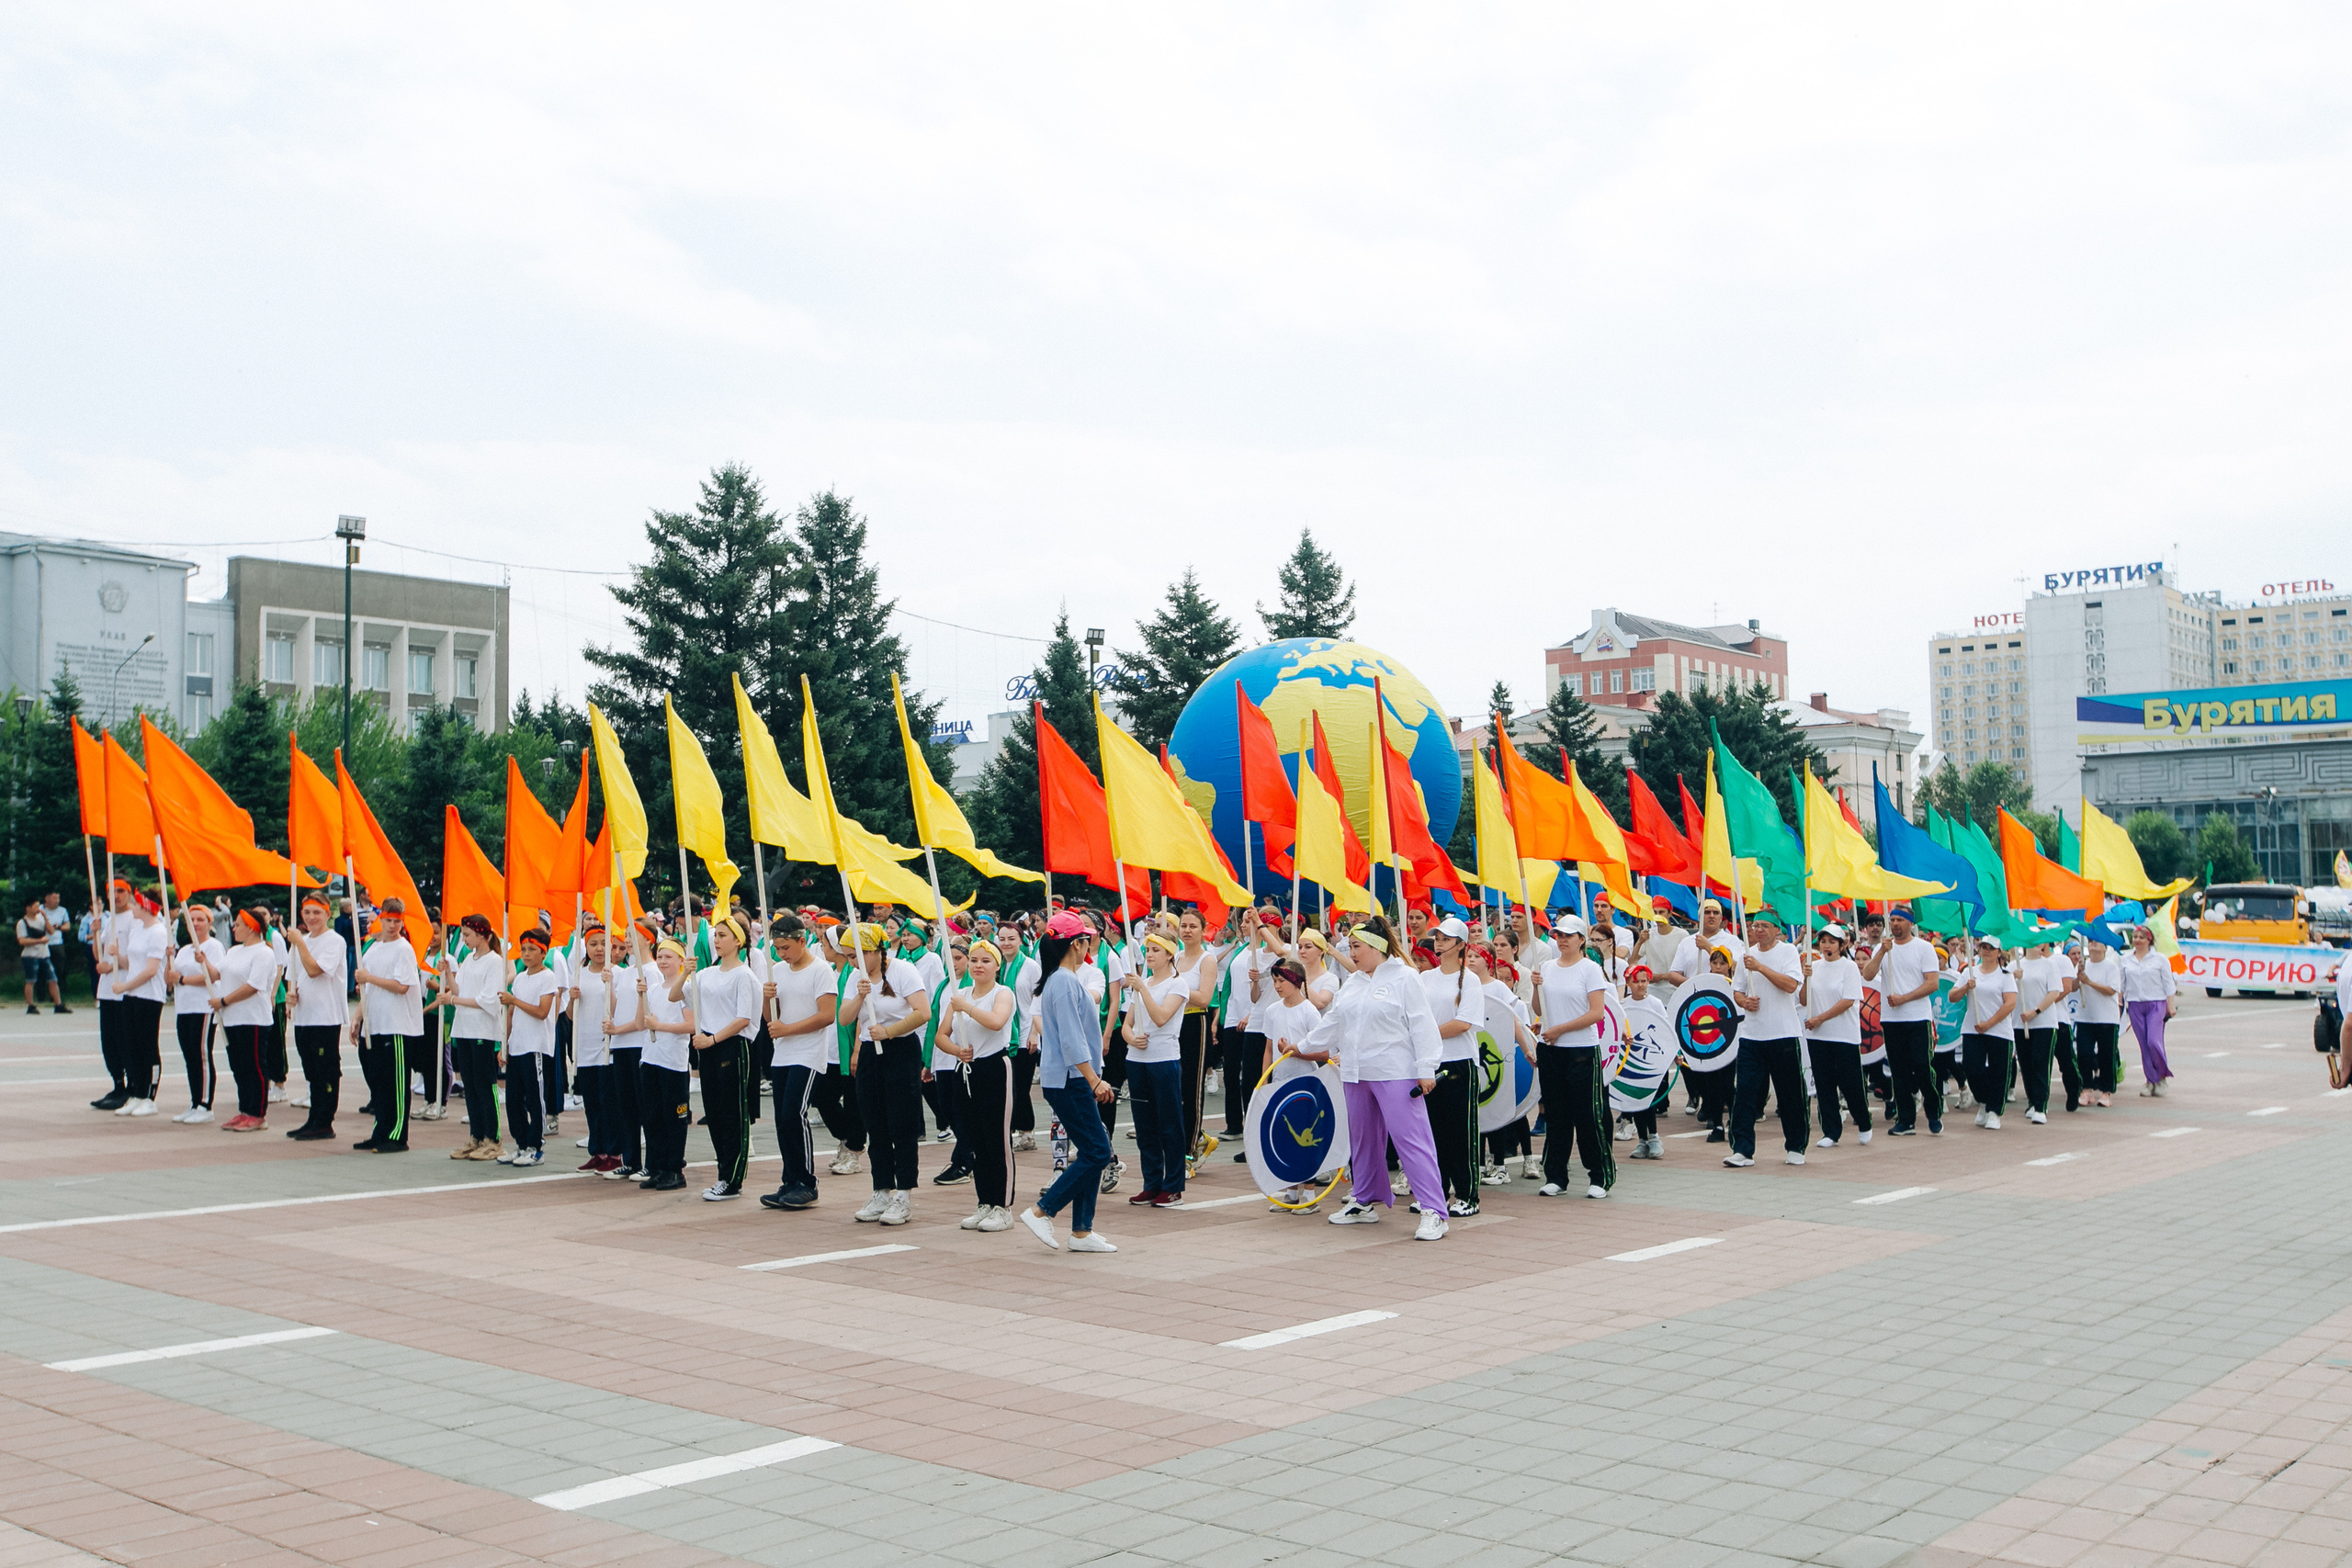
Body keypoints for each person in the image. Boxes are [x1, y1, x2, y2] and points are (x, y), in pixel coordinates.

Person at [1306, 914, 1450, 1239]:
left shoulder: (1405, 978)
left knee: (1412, 1142)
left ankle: (1434, 1211)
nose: (1350, 952)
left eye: (1356, 946)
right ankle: (1364, 1201)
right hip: (1356, 1073)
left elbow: (1422, 1024)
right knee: (1363, 1142)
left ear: (1376, 946)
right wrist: (1302, 1046)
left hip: (1395, 1072)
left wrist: (1426, 1068)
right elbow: (1334, 1024)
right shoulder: (1354, 982)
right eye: (1351, 946)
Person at [1019, 910, 1121, 1252]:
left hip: (1072, 1077)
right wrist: (1094, 1080)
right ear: (1076, 944)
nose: (1089, 943)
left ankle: (1081, 1231)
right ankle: (1042, 1211)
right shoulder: (1063, 981)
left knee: (1092, 1151)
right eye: (1086, 938)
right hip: (1071, 1078)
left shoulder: (1061, 979)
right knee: (1097, 1151)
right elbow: (1072, 1040)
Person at [842, 922, 933, 1228]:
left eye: (855, 956)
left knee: (901, 1123)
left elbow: (923, 1012)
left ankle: (904, 1194)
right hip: (870, 1051)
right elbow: (843, 1018)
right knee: (874, 1121)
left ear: (874, 951)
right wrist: (858, 996)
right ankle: (881, 1190)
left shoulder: (903, 971)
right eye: (848, 957)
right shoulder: (856, 977)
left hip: (901, 1049)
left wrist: (889, 1031)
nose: (852, 963)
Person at [937, 937, 1017, 1231]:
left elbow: (997, 1022)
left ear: (997, 965)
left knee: (997, 1139)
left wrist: (966, 1008)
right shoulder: (960, 994)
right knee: (974, 1140)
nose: (978, 965)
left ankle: (1003, 1206)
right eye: (974, 960)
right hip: (965, 1069)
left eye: (986, 961)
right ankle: (985, 1202)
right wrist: (957, 1050)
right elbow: (941, 1035)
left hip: (995, 1068)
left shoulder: (1002, 992)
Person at [759, 913, 838, 1212]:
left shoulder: (821, 971)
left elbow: (826, 1015)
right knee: (781, 1118)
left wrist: (786, 1030)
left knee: (795, 1113)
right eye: (777, 949)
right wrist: (767, 999)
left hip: (808, 1053)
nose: (782, 954)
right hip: (784, 1053)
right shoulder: (777, 970)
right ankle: (789, 1180)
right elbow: (771, 1019)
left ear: (802, 941)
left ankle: (807, 1182)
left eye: (786, 948)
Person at [1535, 914, 1614, 1198]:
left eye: (1569, 935)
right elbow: (1539, 1007)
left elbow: (1596, 1013)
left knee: (1588, 1115)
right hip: (1551, 1051)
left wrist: (1559, 1030)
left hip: (1581, 1050)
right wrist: (1536, 985)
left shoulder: (1590, 969)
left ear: (1581, 939)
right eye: (1558, 934)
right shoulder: (1546, 966)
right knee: (1556, 1115)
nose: (1562, 939)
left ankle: (1599, 1176)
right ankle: (1556, 1176)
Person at [685, 913, 762, 1200]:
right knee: (715, 1114)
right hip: (708, 1046)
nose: (716, 941)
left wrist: (713, 1039)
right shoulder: (706, 974)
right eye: (715, 936)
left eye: (722, 936)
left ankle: (733, 1179)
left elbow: (743, 1019)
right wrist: (685, 971)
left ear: (738, 941)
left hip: (732, 1046)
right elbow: (675, 996)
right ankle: (722, 1174)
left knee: (733, 1115)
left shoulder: (744, 975)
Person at [1120, 931, 1198, 1209]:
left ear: (1169, 955)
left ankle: (1173, 1186)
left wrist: (1142, 989)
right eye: (1147, 949)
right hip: (1137, 1060)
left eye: (1155, 950)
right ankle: (1151, 1183)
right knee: (1144, 1126)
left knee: (1169, 1123)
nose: (1149, 954)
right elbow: (1126, 1025)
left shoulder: (1178, 985)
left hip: (1164, 1059)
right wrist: (1131, 1038)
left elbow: (1162, 1018)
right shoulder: (1145, 982)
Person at [1726, 910, 1808, 1168]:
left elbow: (1790, 985)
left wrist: (1760, 967)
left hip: (1783, 1033)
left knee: (1790, 1094)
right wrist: (1744, 1002)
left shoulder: (1787, 953)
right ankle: (1742, 1149)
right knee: (1746, 1094)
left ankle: (1795, 1146)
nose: (1758, 930)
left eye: (1764, 926)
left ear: (1777, 930)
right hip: (1752, 1035)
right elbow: (1737, 991)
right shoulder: (1745, 955)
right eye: (1755, 926)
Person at [1861, 905, 1944, 1136]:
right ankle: (1906, 1119)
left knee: (1921, 1066)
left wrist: (1904, 998)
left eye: (1900, 920)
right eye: (1893, 920)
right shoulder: (1883, 948)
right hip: (1891, 1020)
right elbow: (1867, 975)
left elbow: (1932, 983)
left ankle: (1933, 1111)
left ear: (1910, 923)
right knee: (1898, 1071)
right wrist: (1880, 952)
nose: (1895, 924)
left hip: (1918, 1018)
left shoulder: (1924, 948)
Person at [1422, 917, 1486, 1216]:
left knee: (1460, 1135)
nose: (1439, 942)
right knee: (1433, 1133)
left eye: (1447, 938)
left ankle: (1466, 1195)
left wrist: (1427, 1033)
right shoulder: (1426, 978)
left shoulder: (1470, 979)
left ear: (1461, 944)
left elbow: (1463, 1023)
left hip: (1459, 1064)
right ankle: (1437, 1193)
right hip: (1431, 1064)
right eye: (1438, 937)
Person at [352, 899, 422, 1153]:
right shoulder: (373, 948)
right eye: (389, 920)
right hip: (376, 1023)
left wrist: (369, 978)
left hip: (398, 1025)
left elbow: (402, 986)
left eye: (397, 921)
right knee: (379, 1082)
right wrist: (358, 1017)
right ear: (380, 919)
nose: (392, 925)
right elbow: (366, 989)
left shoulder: (404, 949)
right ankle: (380, 1130)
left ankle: (397, 1135)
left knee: (397, 1083)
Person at [436, 916, 507, 1159]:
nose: (464, 939)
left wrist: (453, 1000)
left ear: (482, 935)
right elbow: (460, 991)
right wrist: (448, 975)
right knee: (470, 1085)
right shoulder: (468, 959)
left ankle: (493, 1139)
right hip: (464, 1029)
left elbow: (488, 1000)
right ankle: (476, 1137)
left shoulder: (495, 962)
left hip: (482, 1032)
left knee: (485, 1085)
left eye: (468, 935)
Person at [284, 896, 349, 1142]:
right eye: (307, 912)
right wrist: (292, 996)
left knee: (325, 1070)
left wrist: (300, 943)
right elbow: (295, 977)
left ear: (327, 915)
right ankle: (314, 1117)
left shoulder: (334, 941)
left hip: (325, 1015)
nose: (311, 918)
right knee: (311, 1070)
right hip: (304, 1016)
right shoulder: (300, 942)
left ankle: (325, 1121)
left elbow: (314, 970)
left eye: (317, 913)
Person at [211, 908, 280, 1131]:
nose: (234, 928)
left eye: (238, 924)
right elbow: (216, 974)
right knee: (239, 1066)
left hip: (253, 1018)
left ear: (251, 928)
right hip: (232, 1019)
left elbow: (253, 986)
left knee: (255, 1066)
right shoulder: (233, 951)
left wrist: (223, 1001)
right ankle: (245, 1110)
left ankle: (258, 1113)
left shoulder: (264, 953)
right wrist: (202, 961)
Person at [498, 929, 562, 1166]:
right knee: (514, 1099)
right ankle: (521, 1143)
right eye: (523, 949)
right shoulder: (521, 978)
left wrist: (513, 1000)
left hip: (536, 1047)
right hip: (517, 1045)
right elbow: (511, 1013)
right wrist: (503, 1043)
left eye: (531, 949)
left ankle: (536, 1147)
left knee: (535, 1099)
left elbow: (542, 1011)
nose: (525, 954)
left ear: (543, 952)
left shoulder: (548, 977)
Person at [1804, 925, 1870, 1149]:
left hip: (1844, 1036)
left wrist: (1820, 1019)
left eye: (1832, 942)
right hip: (1818, 1037)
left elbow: (1848, 1001)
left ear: (1843, 945)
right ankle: (1831, 1131)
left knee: (1851, 1084)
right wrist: (1805, 978)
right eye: (1823, 941)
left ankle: (1863, 1121)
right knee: (1824, 1084)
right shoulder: (1814, 966)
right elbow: (1804, 1000)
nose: (1827, 946)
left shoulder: (1849, 967)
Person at [635, 940, 693, 1190]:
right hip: (650, 1059)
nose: (662, 961)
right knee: (653, 1116)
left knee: (674, 1117)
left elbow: (690, 1026)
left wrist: (661, 1026)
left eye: (669, 956)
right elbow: (640, 1024)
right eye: (660, 956)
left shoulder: (685, 989)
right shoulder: (654, 988)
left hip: (673, 1063)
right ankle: (657, 1167)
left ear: (681, 960)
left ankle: (675, 1169)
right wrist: (641, 996)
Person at [166, 904, 225, 1122]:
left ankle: (205, 1105)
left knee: (201, 1056)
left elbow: (213, 976)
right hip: (184, 1008)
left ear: (209, 923)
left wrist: (184, 978)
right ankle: (194, 1102)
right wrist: (169, 960)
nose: (196, 923)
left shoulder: (214, 946)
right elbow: (170, 979)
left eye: (200, 919)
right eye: (191, 920)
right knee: (190, 1056)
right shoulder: (183, 950)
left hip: (204, 1008)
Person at [571, 922, 620, 1173]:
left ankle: (615, 1152)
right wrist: (572, 998)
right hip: (585, 1046)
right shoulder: (580, 974)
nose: (599, 949)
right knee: (591, 1102)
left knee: (608, 1100)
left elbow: (618, 1009)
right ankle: (598, 1151)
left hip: (607, 1047)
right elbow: (570, 1015)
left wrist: (609, 985)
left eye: (604, 943)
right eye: (593, 944)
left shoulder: (617, 973)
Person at [1955, 935, 2018, 1128]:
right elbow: (1952, 996)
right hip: (1973, 1030)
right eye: (1983, 947)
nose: (1987, 950)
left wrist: (1989, 1024)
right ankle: (1982, 1100)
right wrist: (1966, 986)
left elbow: (2010, 1004)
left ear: (1999, 953)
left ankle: (1994, 1111)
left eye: (1991, 948)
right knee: (1971, 1067)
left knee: (1999, 1071)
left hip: (1999, 1031)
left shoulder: (2006, 976)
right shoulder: (1969, 973)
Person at [2015, 939, 2076, 1122]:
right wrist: (2013, 976)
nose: (2036, 944)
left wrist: (2036, 1011)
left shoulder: (2050, 965)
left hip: (2045, 1023)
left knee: (2040, 1062)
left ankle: (2041, 1106)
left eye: (2039, 942)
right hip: (2021, 1023)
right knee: (2026, 1064)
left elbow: (2055, 992)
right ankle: (2033, 1102)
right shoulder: (2015, 965)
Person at [89, 880, 136, 1111]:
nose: (115, 896)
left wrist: (114, 964)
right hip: (107, 990)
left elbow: (137, 957)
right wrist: (95, 932)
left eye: (120, 891)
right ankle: (118, 1084)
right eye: (111, 892)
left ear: (129, 893)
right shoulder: (109, 920)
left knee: (124, 1039)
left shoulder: (135, 919)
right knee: (108, 1041)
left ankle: (132, 1087)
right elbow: (100, 956)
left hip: (125, 988)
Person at [1618, 964, 1672, 1158]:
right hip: (1631, 1060)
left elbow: (1665, 1030)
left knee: (1648, 1099)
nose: (1640, 985)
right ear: (1628, 983)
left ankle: (1654, 1137)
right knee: (1635, 1100)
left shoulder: (1655, 1003)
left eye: (1644, 981)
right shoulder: (1622, 1005)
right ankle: (1643, 1140)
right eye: (1636, 981)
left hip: (1652, 1060)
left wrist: (1674, 1053)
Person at [2120, 925, 2178, 1096]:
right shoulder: (2125, 959)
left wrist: (2171, 1005)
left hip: (2156, 1003)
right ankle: (2150, 1080)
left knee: (2154, 1041)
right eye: (2135, 937)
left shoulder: (2159, 959)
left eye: (2141, 937)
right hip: (2135, 1004)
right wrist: (2119, 1006)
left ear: (2149, 940)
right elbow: (2121, 986)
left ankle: (2161, 1077)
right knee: (2144, 1045)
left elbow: (2169, 983)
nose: (2137, 940)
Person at [18, 899, 57, 1015]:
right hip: (30, 955)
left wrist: (45, 918)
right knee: (31, 980)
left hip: (44, 955)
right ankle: (30, 1005)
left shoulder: (41, 919)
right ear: (28, 908)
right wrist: (39, 941)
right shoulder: (22, 923)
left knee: (53, 979)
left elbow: (51, 931)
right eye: (35, 907)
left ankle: (58, 1004)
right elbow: (22, 940)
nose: (38, 909)